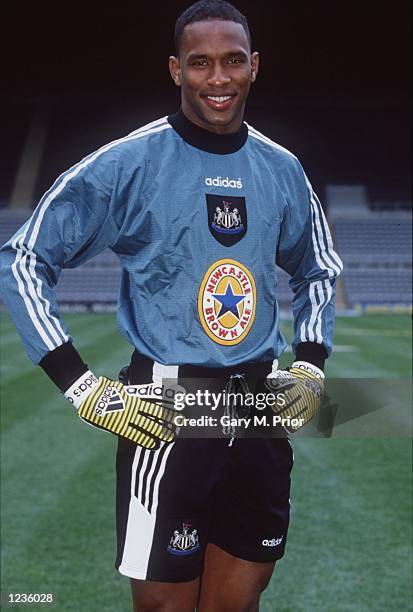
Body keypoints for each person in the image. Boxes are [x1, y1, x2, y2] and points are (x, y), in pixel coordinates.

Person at [0, 0, 343, 610]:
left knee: (238, 602)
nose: (218, 79)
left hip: (260, 407)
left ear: (255, 66)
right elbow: (22, 257)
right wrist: (80, 385)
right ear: (174, 69)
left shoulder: (282, 169)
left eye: (233, 61)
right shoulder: (129, 162)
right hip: (168, 411)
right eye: (200, 63)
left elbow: (318, 270)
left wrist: (312, 364)